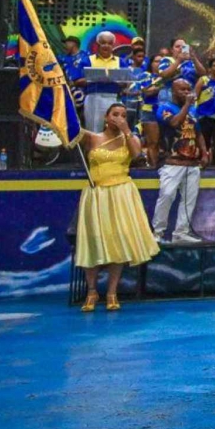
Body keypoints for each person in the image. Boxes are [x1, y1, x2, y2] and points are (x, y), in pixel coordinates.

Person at [73, 104, 159, 311]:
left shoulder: (130, 139)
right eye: (115, 114)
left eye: (123, 115)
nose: (119, 118)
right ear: (106, 117)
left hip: (120, 193)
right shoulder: (91, 138)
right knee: (93, 240)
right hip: (97, 194)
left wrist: (127, 131)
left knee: (116, 241)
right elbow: (68, 133)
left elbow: (138, 155)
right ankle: (92, 291)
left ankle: (112, 291)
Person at [151, 78, 203, 244]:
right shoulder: (164, 108)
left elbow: (198, 132)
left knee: (189, 199)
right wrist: (187, 105)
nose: (187, 93)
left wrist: (204, 152)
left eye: (189, 90)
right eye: (183, 90)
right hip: (172, 162)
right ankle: (157, 233)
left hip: (192, 162)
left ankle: (181, 232)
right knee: (166, 196)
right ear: (173, 91)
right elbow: (174, 123)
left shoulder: (194, 110)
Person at [76, 31, 131, 132]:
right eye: (103, 43)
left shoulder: (120, 62)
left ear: (113, 45)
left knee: (114, 128)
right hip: (93, 97)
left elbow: (127, 82)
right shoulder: (87, 60)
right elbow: (77, 81)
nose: (106, 46)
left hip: (113, 98)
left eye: (109, 43)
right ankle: (94, 148)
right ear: (98, 44)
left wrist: (118, 81)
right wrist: (93, 78)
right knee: (93, 129)